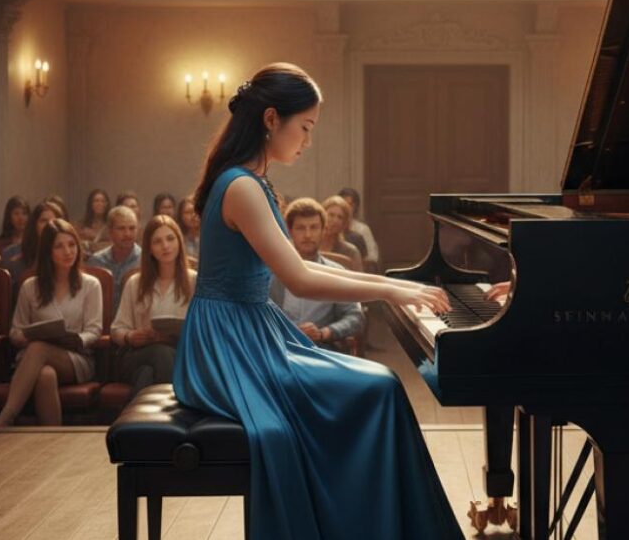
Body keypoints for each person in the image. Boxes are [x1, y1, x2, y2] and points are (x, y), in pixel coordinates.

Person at [172, 62, 460, 540]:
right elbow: (301, 280)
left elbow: (301, 274)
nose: (307, 140)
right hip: (228, 345)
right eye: (304, 127)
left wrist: (398, 287)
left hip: (248, 331)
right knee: (379, 388)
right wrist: (391, 288)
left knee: (378, 387)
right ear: (270, 120)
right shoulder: (241, 186)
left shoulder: (251, 181)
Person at [0, 219, 102, 427]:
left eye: (71, 245)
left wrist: (76, 339)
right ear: (47, 252)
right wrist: (23, 336)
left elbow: (94, 331)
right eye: (59, 246)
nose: (67, 251)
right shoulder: (30, 287)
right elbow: (16, 330)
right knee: (45, 374)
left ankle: (6, 417)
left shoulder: (90, 285)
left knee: (39, 348)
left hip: (76, 358)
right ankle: (51, 440)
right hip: (33, 359)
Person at [111, 215, 196, 399]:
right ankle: (172, 418)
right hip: (137, 353)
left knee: (146, 374)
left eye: (170, 239)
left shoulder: (195, 281)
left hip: (180, 354)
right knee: (160, 353)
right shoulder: (135, 283)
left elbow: (205, 330)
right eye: (157, 241)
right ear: (149, 248)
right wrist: (130, 336)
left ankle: (137, 425)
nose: (165, 246)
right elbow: (117, 329)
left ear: (179, 242)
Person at [269, 198, 365, 352]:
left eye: (314, 227)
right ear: (289, 231)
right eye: (300, 228)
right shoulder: (273, 273)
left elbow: (355, 317)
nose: (308, 235)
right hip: (281, 349)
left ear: (323, 230)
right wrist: (289, 331)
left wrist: (324, 333)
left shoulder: (337, 272)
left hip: (322, 349)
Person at [88, 206, 142, 314]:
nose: (127, 234)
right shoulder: (96, 261)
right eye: (121, 228)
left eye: (132, 228)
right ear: (110, 232)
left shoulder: (146, 261)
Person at [2, 201, 63, 286]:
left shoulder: (69, 254)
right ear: (34, 225)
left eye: (54, 221)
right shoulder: (13, 259)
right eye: (44, 221)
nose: (50, 225)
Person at [338, 187, 380, 270]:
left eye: (350, 205)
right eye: (344, 204)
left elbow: (372, 256)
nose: (347, 208)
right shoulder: (330, 227)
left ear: (355, 207)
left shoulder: (362, 230)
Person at [319, 195, 363, 271]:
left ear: (344, 223)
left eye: (340, 217)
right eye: (331, 215)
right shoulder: (310, 245)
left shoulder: (350, 252)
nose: (335, 220)